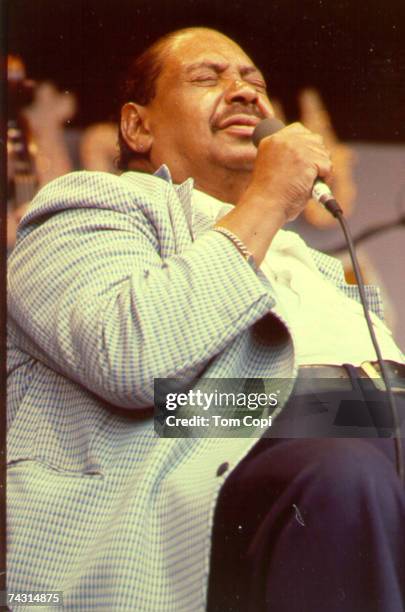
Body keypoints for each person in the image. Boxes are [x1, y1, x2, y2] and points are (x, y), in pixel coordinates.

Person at [7, 27, 405, 612]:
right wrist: (269, 197)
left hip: (363, 448)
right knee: (344, 466)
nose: (245, 93)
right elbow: (133, 358)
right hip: (189, 494)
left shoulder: (313, 263)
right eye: (207, 77)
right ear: (137, 126)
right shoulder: (92, 205)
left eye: (254, 83)